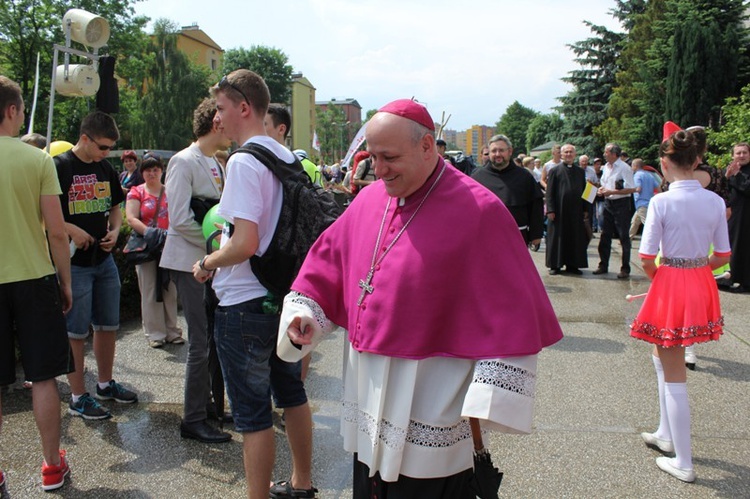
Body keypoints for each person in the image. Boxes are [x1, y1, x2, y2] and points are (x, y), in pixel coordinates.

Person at [276, 98, 563, 498]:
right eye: (372, 157)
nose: (377, 170)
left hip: (433, 393)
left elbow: (511, 313)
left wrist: (486, 394)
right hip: (368, 386)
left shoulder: (480, 210)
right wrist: (306, 313)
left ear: (427, 146)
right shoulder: (369, 199)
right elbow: (328, 264)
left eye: (389, 157)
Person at [192, 69, 314, 499]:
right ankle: (302, 481)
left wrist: (207, 261)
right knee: (292, 392)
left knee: (252, 415)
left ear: (244, 108)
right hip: (283, 296)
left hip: (244, 303)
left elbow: (244, 243)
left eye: (222, 110)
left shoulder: (244, 161)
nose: (217, 120)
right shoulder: (286, 156)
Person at [631, 127, 730, 483]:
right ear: (698, 160)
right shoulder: (715, 201)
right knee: (661, 357)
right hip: (699, 283)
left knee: (674, 372)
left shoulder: (661, 201)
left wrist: (668, 281)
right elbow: (722, 254)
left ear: (664, 163)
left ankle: (684, 462)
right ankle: (665, 432)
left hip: (671, 282)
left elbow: (645, 258)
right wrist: (697, 271)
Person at [1, 75, 73, 492]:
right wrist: (65, 282)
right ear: (12, 111)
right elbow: (56, 231)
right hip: (34, 278)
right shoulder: (37, 159)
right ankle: (50, 466)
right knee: (43, 377)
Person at [55, 111, 137, 420]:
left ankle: (105, 383)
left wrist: (115, 231)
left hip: (103, 261)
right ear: (85, 138)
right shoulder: (60, 167)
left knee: (107, 325)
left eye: (110, 149)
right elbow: (43, 214)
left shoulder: (105, 168)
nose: (107, 153)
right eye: (102, 147)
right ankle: (78, 396)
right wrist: (70, 229)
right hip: (74, 263)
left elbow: (115, 207)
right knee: (75, 332)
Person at [161, 97, 231, 444]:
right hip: (190, 262)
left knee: (209, 340)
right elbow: (180, 218)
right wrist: (215, 247)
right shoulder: (183, 161)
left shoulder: (213, 163)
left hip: (204, 262)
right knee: (201, 341)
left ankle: (207, 406)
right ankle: (193, 418)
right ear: (216, 122)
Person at [125, 154, 183, 348]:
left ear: (161, 171)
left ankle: (173, 331)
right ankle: (155, 333)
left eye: (155, 169)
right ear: (142, 173)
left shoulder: (171, 191)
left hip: (170, 246)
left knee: (170, 290)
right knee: (150, 290)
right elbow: (132, 218)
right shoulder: (136, 191)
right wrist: (151, 233)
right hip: (148, 247)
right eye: (148, 170)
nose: (152, 173)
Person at [472, 134, 543, 248]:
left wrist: (536, 234)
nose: (497, 154)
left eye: (501, 150)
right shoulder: (477, 178)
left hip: (517, 235)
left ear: (510, 151)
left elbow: (536, 205)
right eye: (494, 151)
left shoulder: (524, 176)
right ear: (489, 153)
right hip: (485, 237)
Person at [594, 142, 637, 278]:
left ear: (613, 154)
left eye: (606, 152)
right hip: (608, 203)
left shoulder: (624, 168)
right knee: (605, 235)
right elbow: (603, 182)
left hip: (621, 204)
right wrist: (601, 189)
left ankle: (625, 268)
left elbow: (631, 188)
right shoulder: (606, 167)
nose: (604, 154)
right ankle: (603, 265)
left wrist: (611, 191)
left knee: (623, 236)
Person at [545, 143, 588, 275]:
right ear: (561, 154)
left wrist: (586, 209)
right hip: (559, 211)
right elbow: (549, 192)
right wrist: (550, 209)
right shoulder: (554, 171)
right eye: (566, 152)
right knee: (557, 237)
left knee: (575, 237)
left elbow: (585, 191)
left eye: (571, 152)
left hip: (576, 211)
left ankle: (573, 265)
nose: (568, 154)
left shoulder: (580, 172)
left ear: (575, 155)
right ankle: (555, 265)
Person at [725, 141, 750, 293]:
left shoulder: (739, 172)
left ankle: (746, 281)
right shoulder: (731, 169)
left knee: (745, 247)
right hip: (734, 215)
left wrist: (736, 175)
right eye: (738, 153)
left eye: (744, 152)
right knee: (732, 245)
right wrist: (727, 178)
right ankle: (731, 277)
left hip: (747, 215)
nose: (741, 155)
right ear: (733, 155)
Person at [628, 158, 660, 240]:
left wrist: (629, 189)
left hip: (641, 203)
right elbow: (658, 188)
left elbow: (638, 189)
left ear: (635, 166)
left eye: (632, 166)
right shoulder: (649, 175)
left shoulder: (637, 175)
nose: (631, 168)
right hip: (649, 202)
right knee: (634, 222)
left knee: (647, 223)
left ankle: (658, 241)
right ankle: (628, 239)